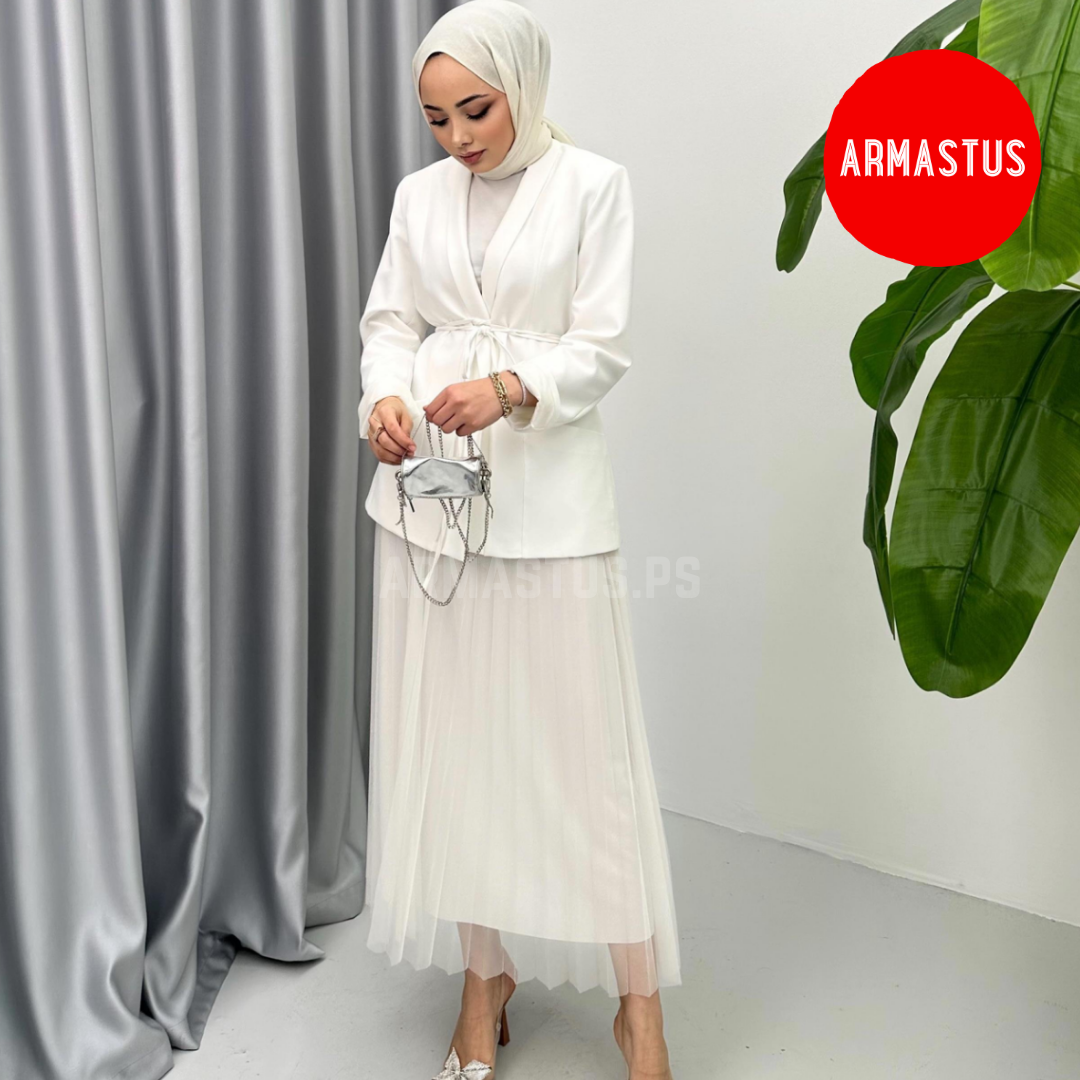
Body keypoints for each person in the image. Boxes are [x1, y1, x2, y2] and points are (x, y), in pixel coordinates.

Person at [357, 3, 681, 1076]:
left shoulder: (594, 186)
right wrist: (382, 400)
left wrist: (508, 387)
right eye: (436, 117)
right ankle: (481, 977)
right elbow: (390, 324)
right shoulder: (418, 197)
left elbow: (604, 346)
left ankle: (639, 1005)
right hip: (432, 506)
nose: (457, 136)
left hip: (551, 503)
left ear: (523, 88)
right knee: (457, 752)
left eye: (477, 110)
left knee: (587, 762)